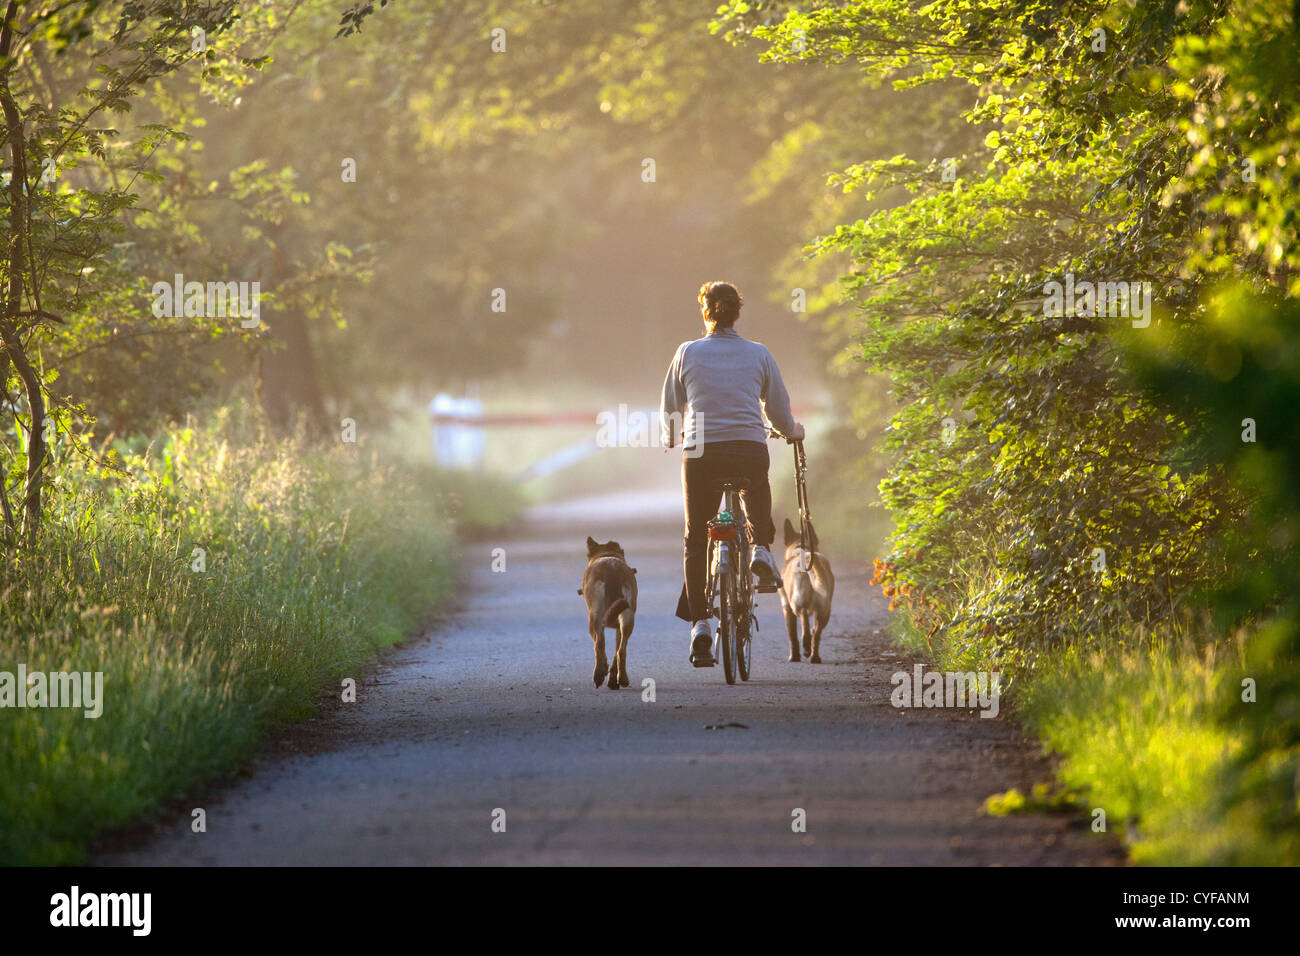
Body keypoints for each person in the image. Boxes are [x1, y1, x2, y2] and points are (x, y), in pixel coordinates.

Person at [660, 281, 805, 666]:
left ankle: (701, 628)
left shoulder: (686, 352)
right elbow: (778, 408)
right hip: (748, 449)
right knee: (755, 486)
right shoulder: (759, 353)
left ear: (705, 313)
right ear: (737, 314)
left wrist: (671, 437)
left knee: (695, 540)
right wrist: (792, 430)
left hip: (701, 453)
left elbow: (672, 407)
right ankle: (759, 548)